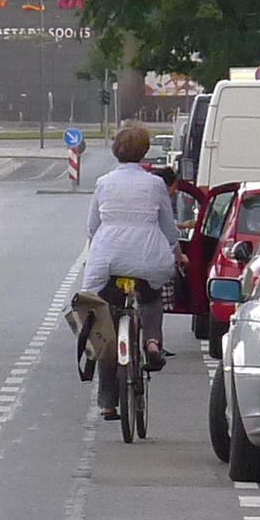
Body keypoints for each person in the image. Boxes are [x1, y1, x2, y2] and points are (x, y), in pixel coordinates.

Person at [83, 124, 181, 419]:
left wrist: (101, 247)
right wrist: (174, 249)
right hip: (147, 256)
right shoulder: (155, 185)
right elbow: (169, 229)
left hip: (109, 260)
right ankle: (152, 342)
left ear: (116, 151)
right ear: (145, 151)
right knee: (151, 296)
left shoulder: (103, 183)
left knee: (106, 326)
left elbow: (92, 226)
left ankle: (107, 402)